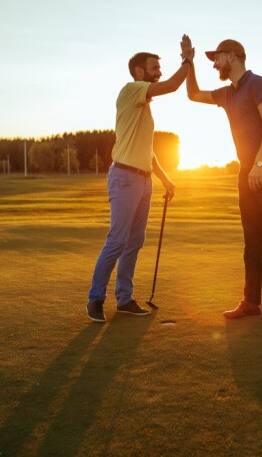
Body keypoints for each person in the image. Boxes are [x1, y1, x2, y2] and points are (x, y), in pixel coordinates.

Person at [185, 38, 262, 319]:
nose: (214, 64)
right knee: (251, 239)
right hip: (246, 171)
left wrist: (259, 164)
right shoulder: (227, 94)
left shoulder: (259, 84)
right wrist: (188, 62)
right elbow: (193, 94)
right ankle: (251, 302)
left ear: (232, 56)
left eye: (216, 58)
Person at [87, 35, 194, 323]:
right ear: (139, 71)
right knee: (117, 240)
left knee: (134, 241)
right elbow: (171, 86)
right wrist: (187, 60)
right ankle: (95, 299)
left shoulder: (143, 105)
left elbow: (146, 151)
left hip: (143, 180)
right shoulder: (132, 90)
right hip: (124, 178)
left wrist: (164, 179)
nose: (159, 71)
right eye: (154, 67)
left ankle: (124, 300)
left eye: (160, 67)